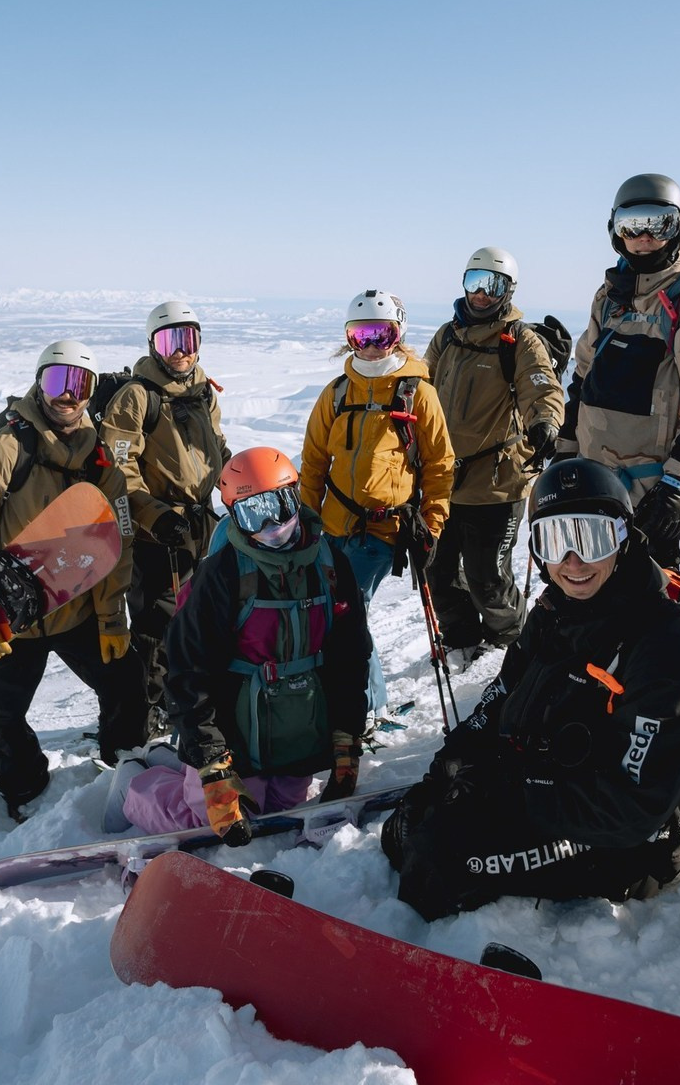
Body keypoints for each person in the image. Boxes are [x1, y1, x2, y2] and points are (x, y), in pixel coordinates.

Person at [381, 458, 680, 921]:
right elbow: (502, 693)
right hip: (550, 791)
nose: (572, 563)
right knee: (412, 825)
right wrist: (451, 763)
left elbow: (634, 807)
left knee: (438, 861)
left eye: (590, 538)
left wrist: (507, 795)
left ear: (622, 535)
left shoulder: (662, 645)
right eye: (555, 541)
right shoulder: (555, 610)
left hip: (623, 839)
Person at [120, 447, 373, 843]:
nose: (272, 524)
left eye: (280, 505)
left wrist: (346, 738)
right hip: (233, 729)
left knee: (278, 812)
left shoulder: (329, 565)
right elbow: (189, 671)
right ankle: (133, 786)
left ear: (296, 496)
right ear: (235, 516)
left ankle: (172, 765)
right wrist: (213, 767)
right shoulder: (222, 574)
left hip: (295, 728)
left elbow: (350, 657)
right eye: (254, 513)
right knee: (207, 820)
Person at [0, 340, 138, 820]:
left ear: (91, 392)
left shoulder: (102, 459)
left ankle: (127, 769)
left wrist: (112, 618)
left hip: (78, 608)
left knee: (127, 684)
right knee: (4, 715)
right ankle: (23, 792)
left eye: (80, 384)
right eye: (58, 381)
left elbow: (118, 539)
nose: (68, 396)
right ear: (39, 381)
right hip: (13, 618)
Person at [556, 174, 680, 569]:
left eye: (658, 224)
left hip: (650, 486)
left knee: (644, 600)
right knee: (581, 587)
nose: (643, 237)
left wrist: (678, 482)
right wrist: (565, 452)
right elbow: (583, 381)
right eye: (630, 225)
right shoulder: (610, 297)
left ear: (678, 227)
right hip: (592, 478)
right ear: (615, 231)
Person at [299, 290, 455, 718]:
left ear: (397, 334)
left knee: (349, 612)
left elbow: (440, 465)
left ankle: (365, 708)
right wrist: (304, 523)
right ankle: (357, 701)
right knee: (334, 612)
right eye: (360, 334)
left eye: (380, 334)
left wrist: (432, 525)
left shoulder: (417, 394)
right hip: (332, 527)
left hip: (383, 530)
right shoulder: (336, 394)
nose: (369, 345)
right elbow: (313, 463)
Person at [423, 247, 565, 665]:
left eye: (493, 286)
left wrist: (545, 424)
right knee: (438, 571)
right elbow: (420, 382)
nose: (481, 295)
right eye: (474, 283)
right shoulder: (448, 335)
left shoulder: (519, 340)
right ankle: (462, 636)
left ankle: (511, 638)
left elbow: (543, 388)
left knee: (488, 577)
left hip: (497, 484)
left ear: (508, 291)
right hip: (443, 479)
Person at [99, 301, 231, 739]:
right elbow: (119, 470)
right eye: (169, 340)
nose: (180, 351)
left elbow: (217, 447)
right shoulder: (137, 397)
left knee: (205, 613)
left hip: (202, 523)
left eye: (188, 339)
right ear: (153, 345)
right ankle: (150, 708)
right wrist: (155, 517)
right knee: (157, 626)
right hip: (158, 533)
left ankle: (199, 693)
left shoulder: (202, 391)